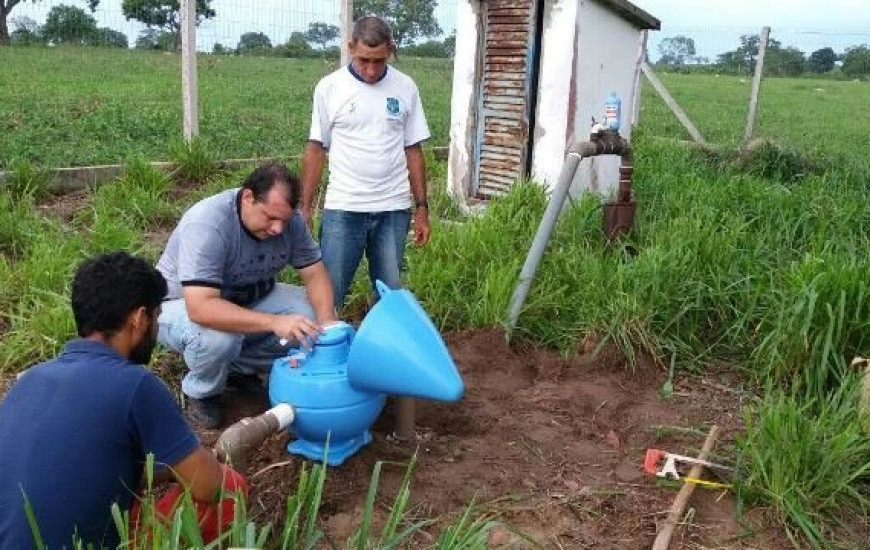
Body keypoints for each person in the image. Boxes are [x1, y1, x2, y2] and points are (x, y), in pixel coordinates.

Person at [0, 251, 244, 549]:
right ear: (139, 319)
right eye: (157, 317)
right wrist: (196, 464)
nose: (156, 328)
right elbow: (210, 488)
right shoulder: (136, 385)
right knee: (230, 486)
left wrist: (163, 470)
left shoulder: (28, 381)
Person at [156, 162, 337, 429]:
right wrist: (274, 323)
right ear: (248, 196)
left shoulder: (290, 222)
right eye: (270, 218)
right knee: (218, 337)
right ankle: (202, 393)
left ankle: (237, 370)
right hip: (178, 306)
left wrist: (326, 321)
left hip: (247, 299)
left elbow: (315, 274)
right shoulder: (209, 222)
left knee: (311, 319)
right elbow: (201, 308)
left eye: (284, 221)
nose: (277, 229)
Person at [301, 15, 432, 312]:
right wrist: (305, 209)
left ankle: (378, 351)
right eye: (363, 60)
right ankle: (325, 353)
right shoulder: (329, 88)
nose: (371, 70)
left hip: (393, 209)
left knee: (389, 293)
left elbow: (413, 149)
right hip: (344, 207)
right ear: (350, 48)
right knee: (328, 294)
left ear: (391, 50)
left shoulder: (406, 87)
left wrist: (422, 208)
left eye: (379, 61)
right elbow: (315, 148)